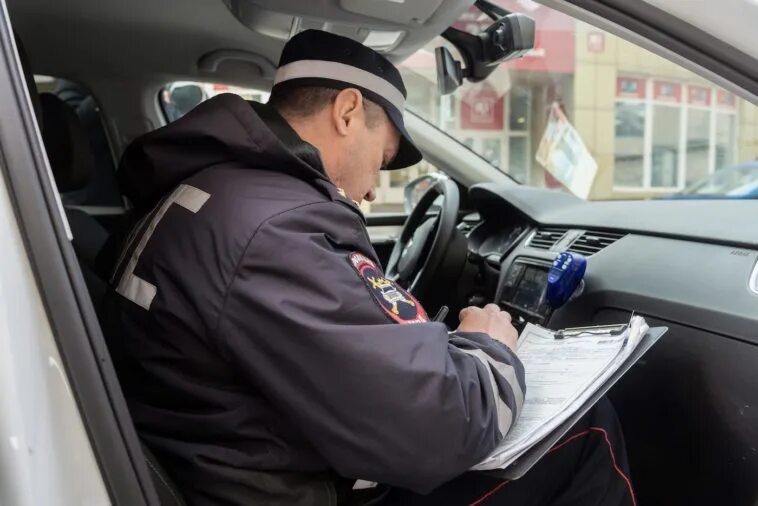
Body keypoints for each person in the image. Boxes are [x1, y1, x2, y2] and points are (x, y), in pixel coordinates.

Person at [102, 30, 635, 505]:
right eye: (380, 160)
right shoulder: (275, 231)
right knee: (587, 431)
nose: (373, 189)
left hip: (240, 464)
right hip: (295, 486)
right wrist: (488, 345)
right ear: (348, 111)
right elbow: (442, 427)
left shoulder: (215, 192)